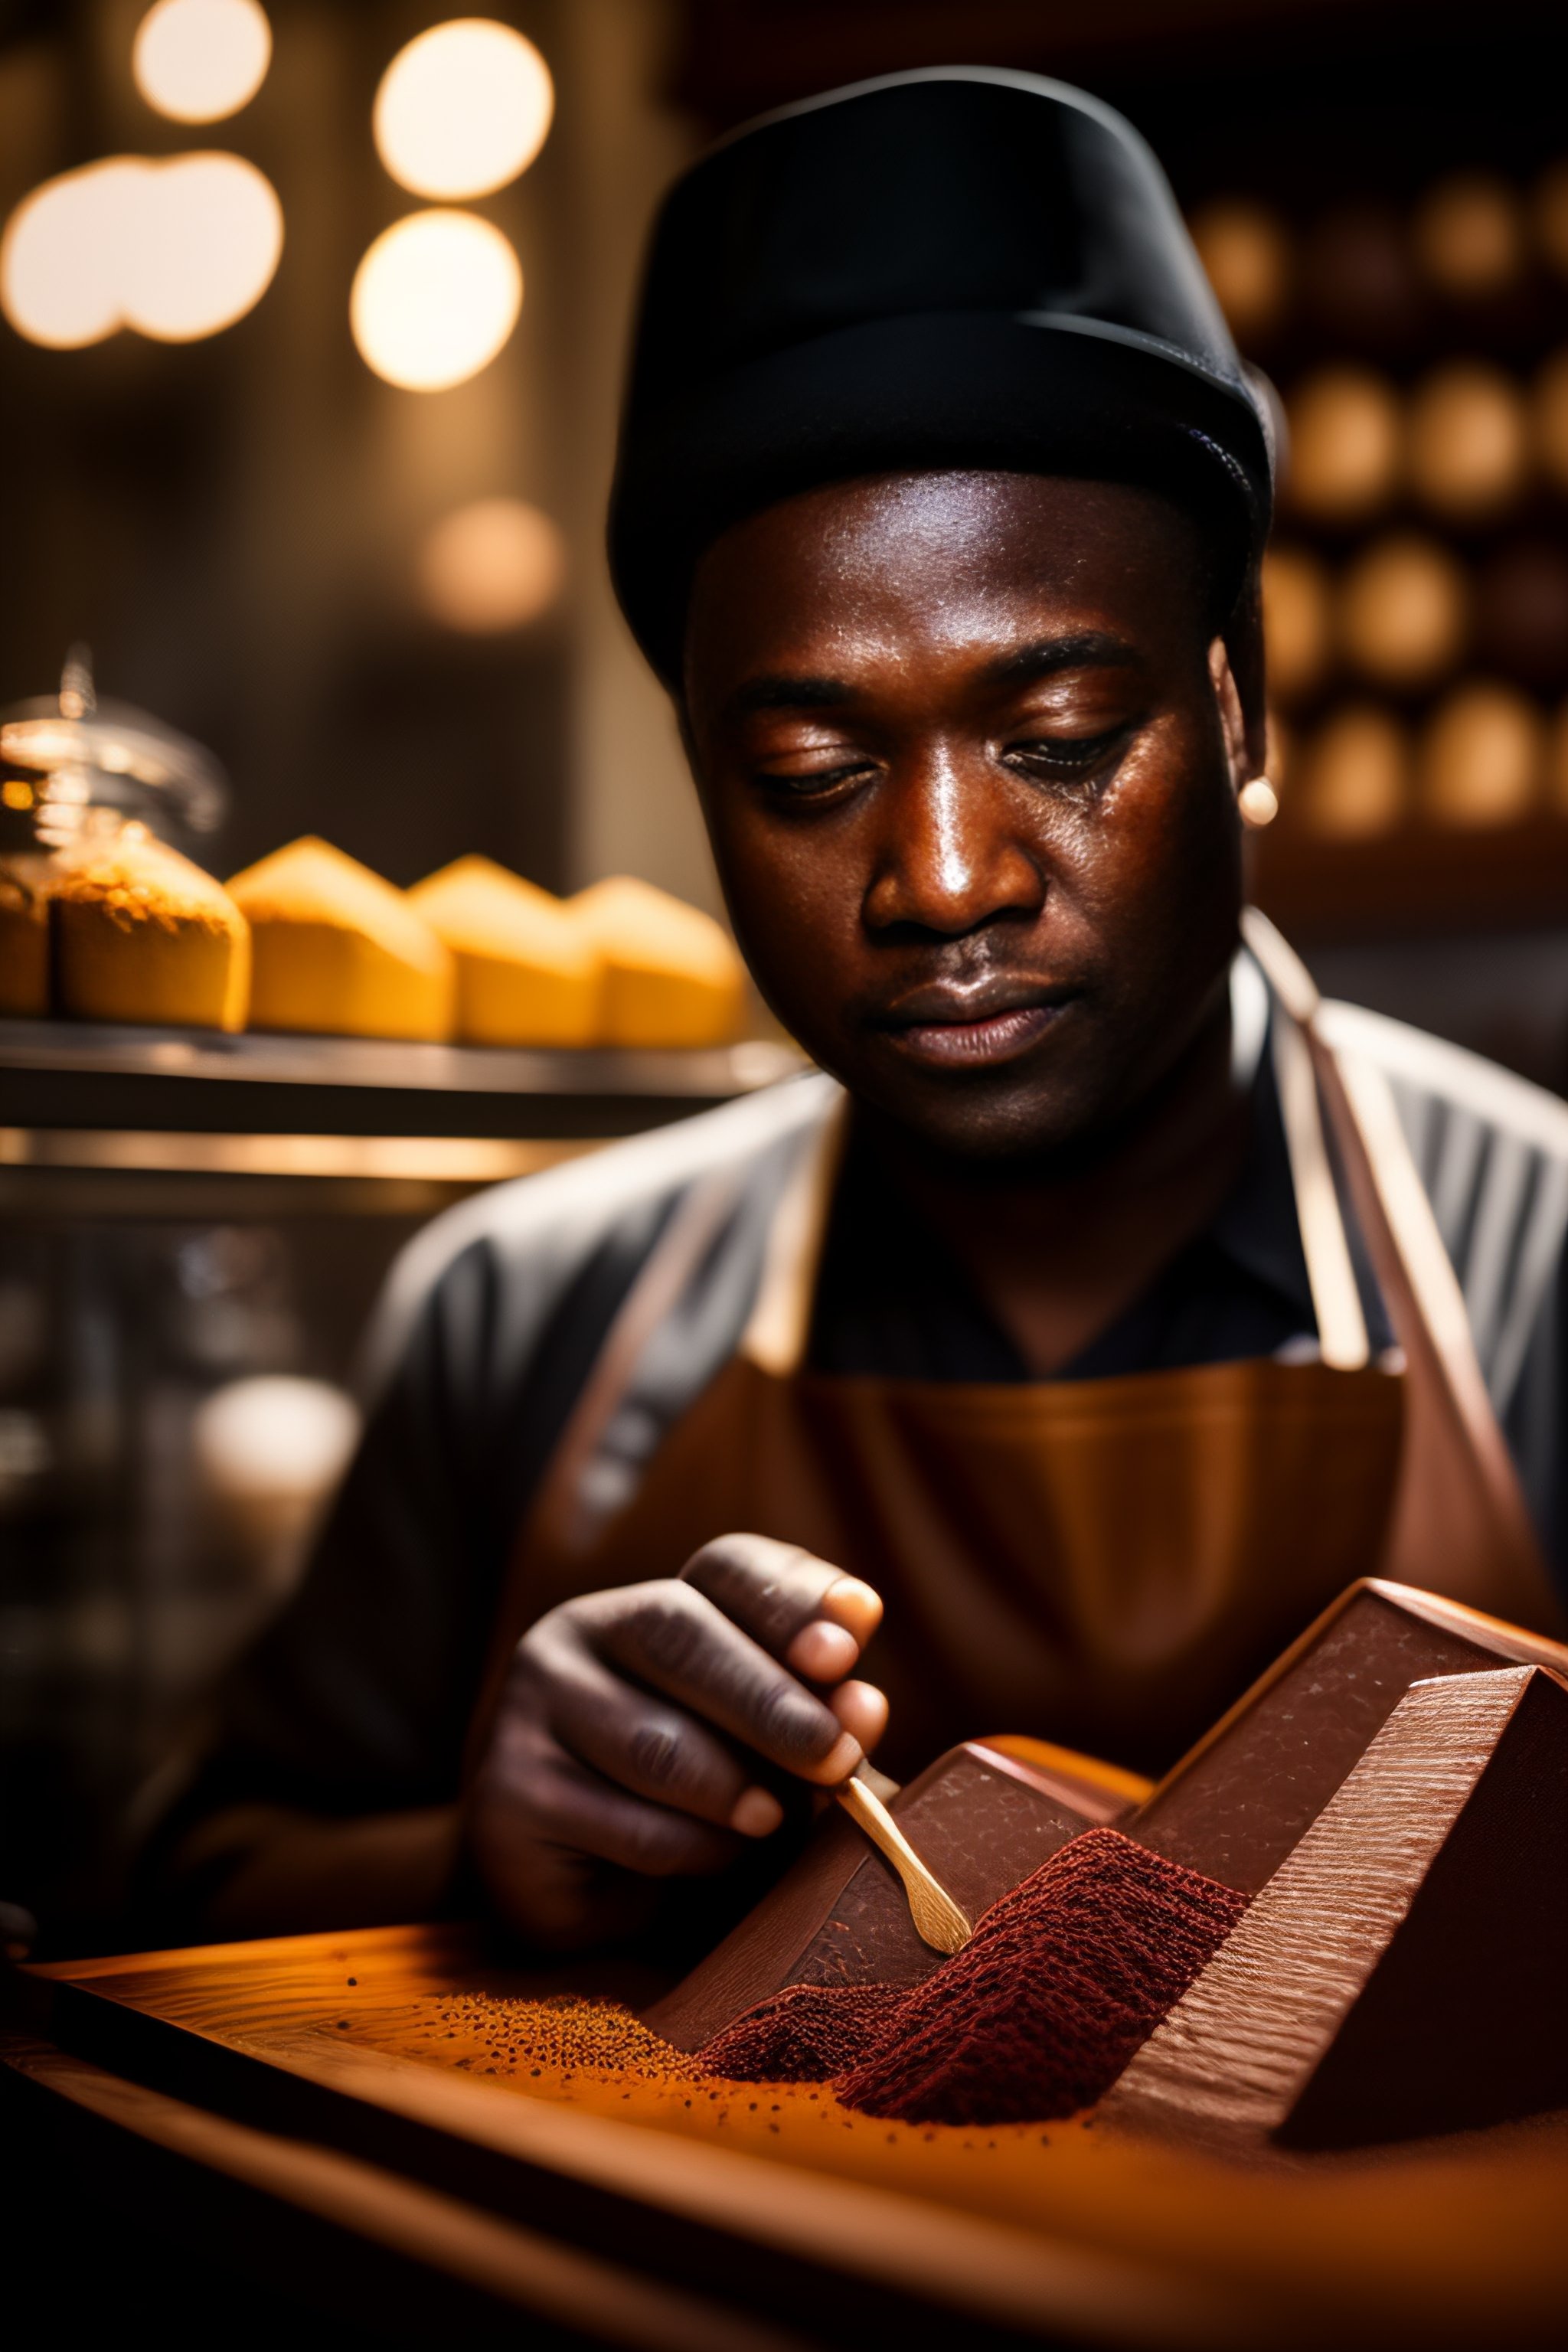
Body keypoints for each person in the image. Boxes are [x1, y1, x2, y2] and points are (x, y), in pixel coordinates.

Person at [142, 70, 1568, 1957]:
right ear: (702, 791)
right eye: (813, 772)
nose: (946, 877)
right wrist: (472, 1861)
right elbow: (177, 1892)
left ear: (1245, 714)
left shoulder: (1543, 1263)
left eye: (1056, 740)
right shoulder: (519, 1316)